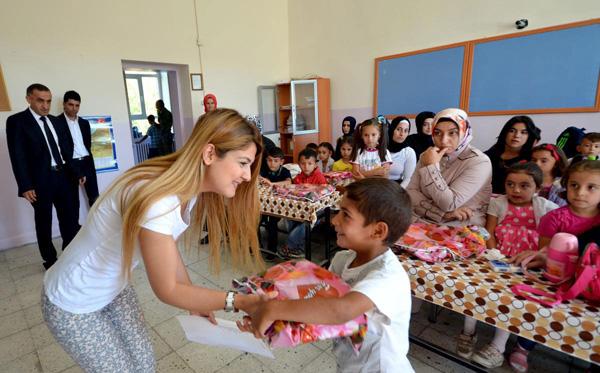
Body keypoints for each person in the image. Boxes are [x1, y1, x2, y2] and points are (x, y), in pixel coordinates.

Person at [42, 109, 266, 372]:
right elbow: (167, 289)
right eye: (242, 163)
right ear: (209, 154)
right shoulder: (159, 198)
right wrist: (238, 301)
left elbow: (169, 251)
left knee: (144, 364)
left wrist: (195, 300)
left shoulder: (187, 190)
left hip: (114, 286)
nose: (248, 176)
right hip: (72, 299)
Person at [244, 178, 414, 372]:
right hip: (349, 363)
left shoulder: (388, 277)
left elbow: (340, 311)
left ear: (378, 230)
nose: (334, 220)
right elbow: (316, 304)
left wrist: (273, 309)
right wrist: (266, 317)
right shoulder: (342, 260)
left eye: (346, 215)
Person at [458, 162, 558, 368]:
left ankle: (498, 346)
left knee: (512, 301)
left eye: (524, 185)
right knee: (475, 291)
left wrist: (532, 259)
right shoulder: (498, 203)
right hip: (496, 258)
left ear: (538, 188)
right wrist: (494, 254)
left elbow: (546, 243)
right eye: (510, 184)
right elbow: (490, 232)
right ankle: (468, 332)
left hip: (525, 264)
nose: (516, 190)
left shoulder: (546, 208)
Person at [508, 160, 600, 372]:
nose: (581, 193)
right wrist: (537, 258)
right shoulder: (554, 218)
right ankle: (524, 346)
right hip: (557, 280)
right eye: (574, 185)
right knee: (541, 313)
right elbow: (546, 256)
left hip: (593, 284)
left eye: (591, 187)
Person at [6, 83, 80, 270]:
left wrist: (76, 172)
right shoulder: (17, 122)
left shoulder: (55, 121)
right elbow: (18, 156)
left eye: (48, 101)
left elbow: (66, 150)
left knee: (70, 219)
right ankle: (50, 260)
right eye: (40, 101)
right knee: (44, 221)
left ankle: (69, 254)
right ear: (29, 98)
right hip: (40, 181)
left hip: (64, 177)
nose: (45, 106)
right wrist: (25, 185)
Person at [406, 108, 492, 227]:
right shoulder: (427, 155)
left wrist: (431, 167)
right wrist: (443, 214)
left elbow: (449, 203)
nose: (443, 140)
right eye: (437, 133)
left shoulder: (479, 162)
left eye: (452, 133)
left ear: (464, 131)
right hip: (423, 222)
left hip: (461, 229)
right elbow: (410, 193)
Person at [278, 148, 327, 259]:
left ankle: (290, 245)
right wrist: (289, 187)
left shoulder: (318, 175)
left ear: (315, 164)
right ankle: (298, 248)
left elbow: (325, 188)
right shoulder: (299, 177)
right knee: (290, 217)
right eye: (303, 163)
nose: (306, 166)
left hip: (316, 212)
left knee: (305, 223)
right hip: (300, 209)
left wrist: (313, 187)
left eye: (310, 163)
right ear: (299, 164)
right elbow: (293, 188)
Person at [55, 90, 99, 207]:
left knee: (95, 197)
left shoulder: (84, 123)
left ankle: (96, 224)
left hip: (87, 162)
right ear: (64, 104)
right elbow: (60, 148)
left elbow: (87, 144)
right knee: (71, 200)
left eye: (77, 105)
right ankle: (74, 225)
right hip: (70, 164)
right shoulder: (56, 123)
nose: (74, 108)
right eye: (70, 105)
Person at [484, 116, 538, 194]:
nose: (516, 135)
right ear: (505, 133)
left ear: (529, 137)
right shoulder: (488, 156)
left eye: (523, 132)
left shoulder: (531, 159)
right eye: (512, 131)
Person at [258, 147, 292, 259]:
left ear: (282, 161)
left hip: (278, 207)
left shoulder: (285, 171)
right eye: (269, 160)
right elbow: (258, 178)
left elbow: (288, 182)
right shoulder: (264, 170)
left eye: (276, 161)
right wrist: (260, 179)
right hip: (263, 205)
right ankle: (257, 246)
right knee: (254, 222)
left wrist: (272, 184)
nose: (272, 164)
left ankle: (272, 250)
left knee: (272, 224)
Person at [387, 116, 417, 188]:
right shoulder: (380, 147)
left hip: (397, 188)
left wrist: (398, 193)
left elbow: (408, 179)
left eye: (406, 131)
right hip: (376, 186)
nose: (402, 134)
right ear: (392, 129)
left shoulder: (408, 152)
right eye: (398, 129)